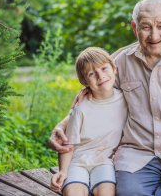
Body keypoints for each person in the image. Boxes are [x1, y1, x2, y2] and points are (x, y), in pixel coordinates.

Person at [51, 0, 161, 196]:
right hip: (137, 155)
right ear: (135, 28)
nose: (154, 35)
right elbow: (93, 98)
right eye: (146, 27)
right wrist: (63, 125)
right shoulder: (120, 63)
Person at [50, 47, 128, 196]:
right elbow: (68, 144)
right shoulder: (80, 108)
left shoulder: (126, 99)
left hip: (105, 161)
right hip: (78, 162)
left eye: (104, 68)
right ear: (84, 81)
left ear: (114, 69)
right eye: (92, 74)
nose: (101, 76)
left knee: (106, 192)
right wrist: (63, 171)